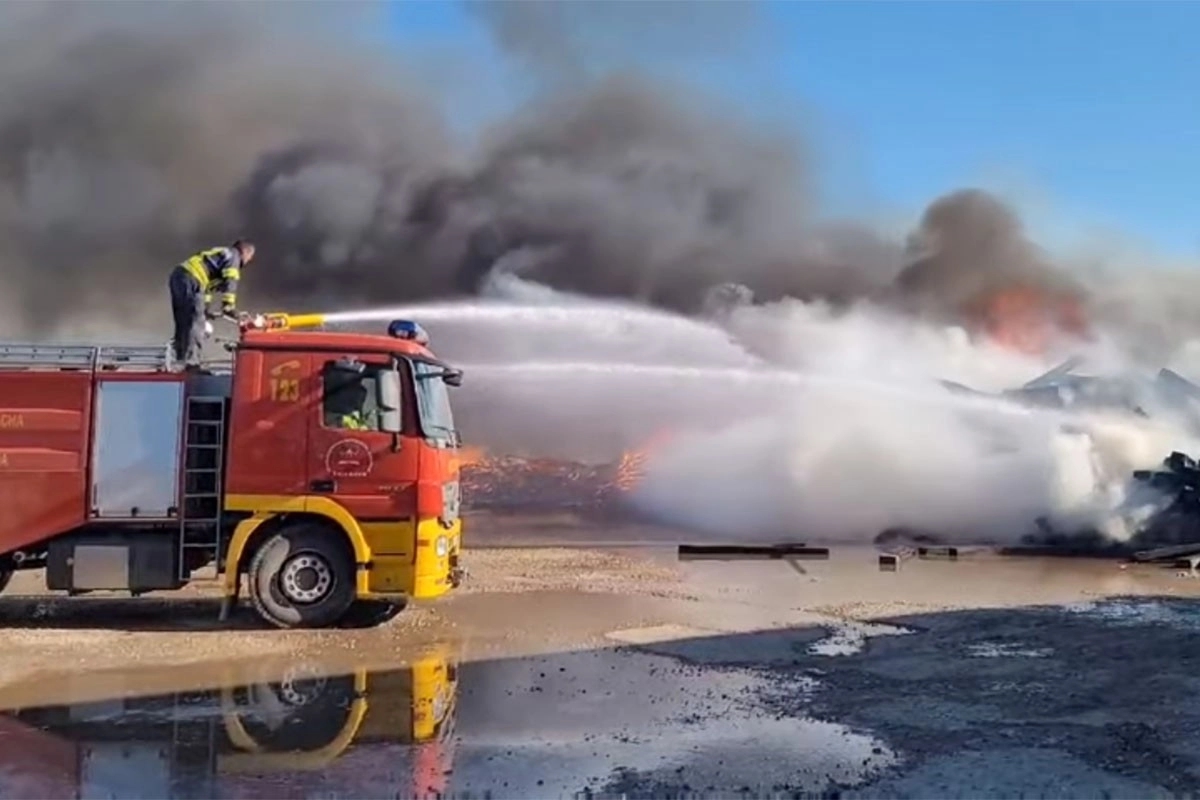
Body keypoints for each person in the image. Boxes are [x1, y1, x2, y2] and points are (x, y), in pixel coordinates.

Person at [168, 240, 256, 368]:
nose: (248, 261)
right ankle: (191, 362)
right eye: (250, 257)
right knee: (196, 321)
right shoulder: (234, 256)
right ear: (246, 252)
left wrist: (206, 309)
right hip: (192, 278)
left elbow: (208, 288)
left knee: (184, 319)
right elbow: (231, 280)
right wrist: (228, 306)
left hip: (180, 276)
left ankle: (180, 357)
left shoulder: (221, 255)